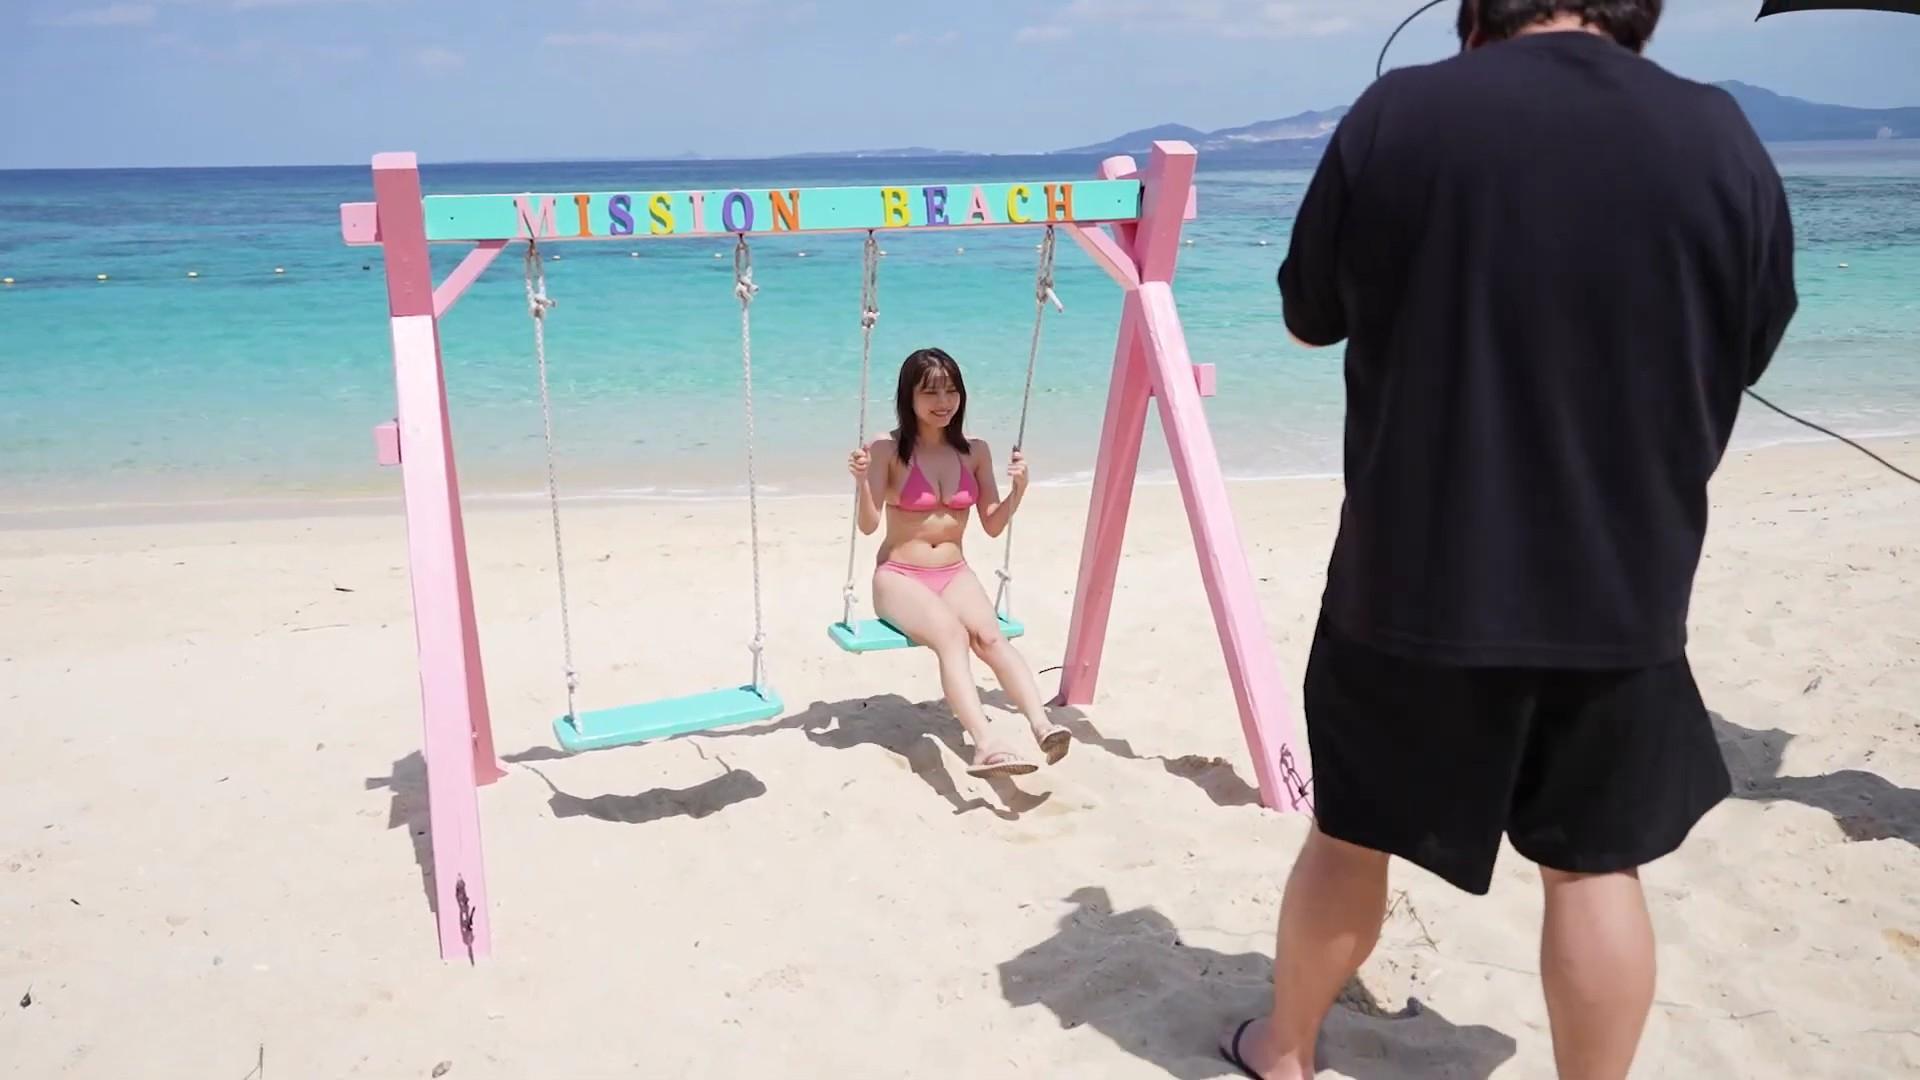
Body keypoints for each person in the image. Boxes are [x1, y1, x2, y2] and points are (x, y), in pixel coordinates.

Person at [1222, 2, 1798, 1078]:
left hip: (1411, 575)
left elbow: (1307, 317)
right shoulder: (1717, 132)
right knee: (1595, 869)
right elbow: (1751, 341)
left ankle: (1286, 1051)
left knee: (1349, 834)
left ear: (1479, 18)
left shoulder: (1402, 113)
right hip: (1621, 579)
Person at [847, 347, 1071, 778]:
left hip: (954, 572)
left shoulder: (975, 451)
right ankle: (986, 745)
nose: (943, 402)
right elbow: (868, 525)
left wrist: (1019, 490)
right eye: (930, 392)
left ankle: (1043, 726)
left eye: (951, 391)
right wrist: (861, 483)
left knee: (990, 637)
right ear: (908, 396)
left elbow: (992, 525)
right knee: (952, 636)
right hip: (899, 577)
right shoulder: (887, 449)